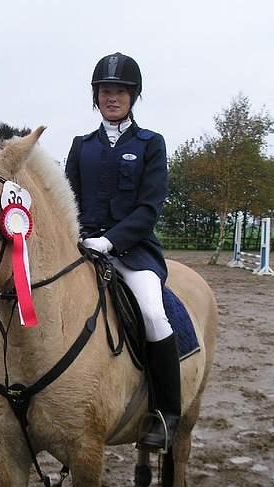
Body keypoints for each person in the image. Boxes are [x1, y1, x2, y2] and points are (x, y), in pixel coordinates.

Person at [65, 52, 180, 451]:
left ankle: (165, 415)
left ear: (134, 96)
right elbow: (69, 201)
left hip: (133, 251)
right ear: (96, 97)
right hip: (84, 247)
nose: (112, 97)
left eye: (120, 91)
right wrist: (78, 238)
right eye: (105, 91)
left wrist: (110, 241)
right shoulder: (82, 147)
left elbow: (149, 208)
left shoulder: (151, 144)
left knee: (152, 311)